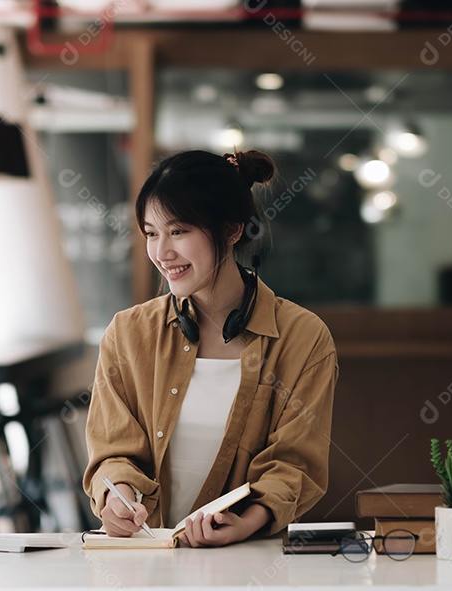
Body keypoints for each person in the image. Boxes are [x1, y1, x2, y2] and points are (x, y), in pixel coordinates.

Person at [82, 149, 338, 547]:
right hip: (145, 560)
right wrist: (119, 496)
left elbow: (295, 464)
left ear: (232, 230)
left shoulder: (303, 338)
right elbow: (113, 450)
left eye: (179, 231)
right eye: (151, 233)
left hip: (247, 561)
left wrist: (248, 522)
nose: (162, 253)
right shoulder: (128, 333)